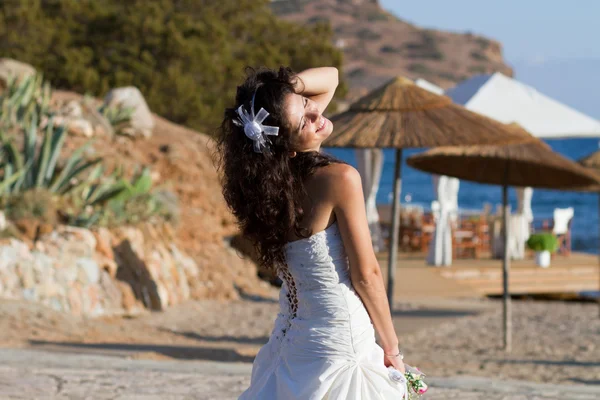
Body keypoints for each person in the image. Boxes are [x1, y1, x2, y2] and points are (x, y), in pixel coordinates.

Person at [216, 66, 408, 399]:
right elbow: (366, 275)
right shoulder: (340, 178)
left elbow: (331, 78)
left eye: (307, 103)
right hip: (340, 336)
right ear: (288, 147)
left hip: (293, 336)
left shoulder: (269, 190)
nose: (316, 111)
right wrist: (391, 348)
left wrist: (280, 94)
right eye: (304, 120)